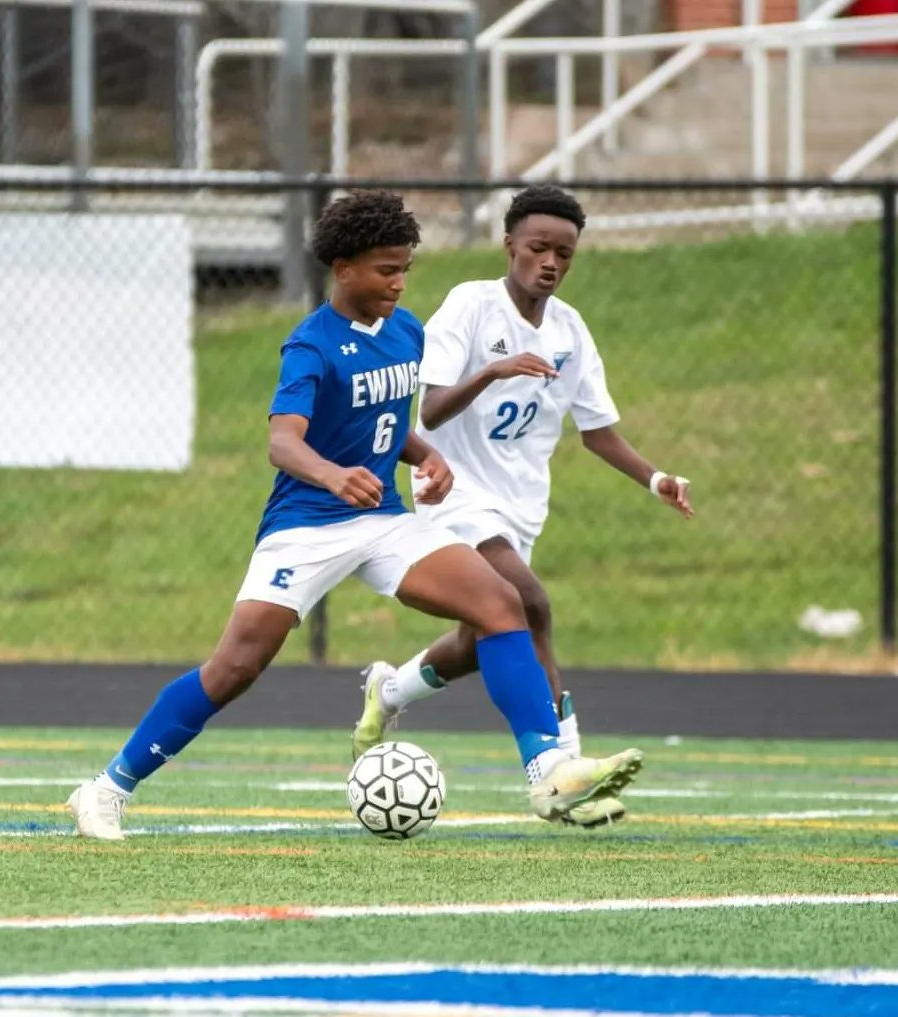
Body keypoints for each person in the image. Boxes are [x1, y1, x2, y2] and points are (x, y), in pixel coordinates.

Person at [66, 190, 643, 840]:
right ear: (341, 267)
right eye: (384, 269)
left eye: (404, 269)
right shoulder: (309, 345)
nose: (398, 283)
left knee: (500, 603)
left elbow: (389, 421)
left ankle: (547, 769)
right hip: (306, 525)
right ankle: (106, 788)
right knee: (234, 668)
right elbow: (282, 441)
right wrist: (333, 474)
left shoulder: (405, 331)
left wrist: (425, 455)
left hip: (383, 521)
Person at [351, 184, 691, 828]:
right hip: (453, 494)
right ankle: (564, 773)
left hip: (520, 507)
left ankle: (389, 689)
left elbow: (597, 431)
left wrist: (655, 479)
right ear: (510, 245)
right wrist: (493, 372)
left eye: (565, 252)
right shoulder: (471, 307)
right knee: (530, 603)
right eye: (538, 247)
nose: (551, 262)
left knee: (484, 638)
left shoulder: (569, 330)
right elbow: (430, 408)